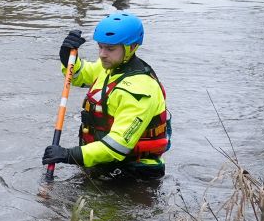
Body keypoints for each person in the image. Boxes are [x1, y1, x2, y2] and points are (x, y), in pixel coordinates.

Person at [43, 12, 171, 180]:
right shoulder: (109, 67)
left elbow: (117, 145)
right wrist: (68, 59)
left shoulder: (140, 91)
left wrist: (69, 155)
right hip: (104, 163)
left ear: (131, 48)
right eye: (100, 46)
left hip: (135, 173)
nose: (102, 54)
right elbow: (80, 75)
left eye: (110, 48)